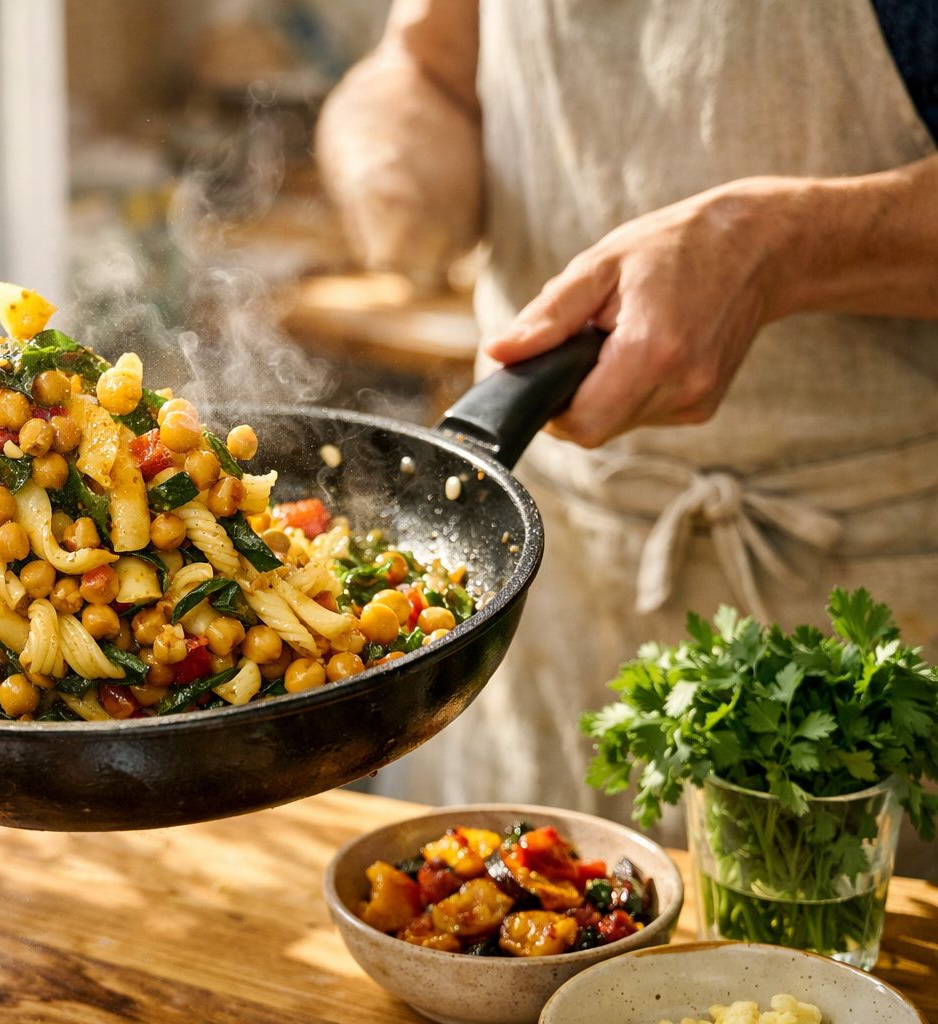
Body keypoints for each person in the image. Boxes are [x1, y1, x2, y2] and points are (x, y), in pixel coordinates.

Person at [317, 0, 938, 873]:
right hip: (543, 576)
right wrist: (391, 141)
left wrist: (778, 245)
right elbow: (419, 62)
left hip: (873, 595)